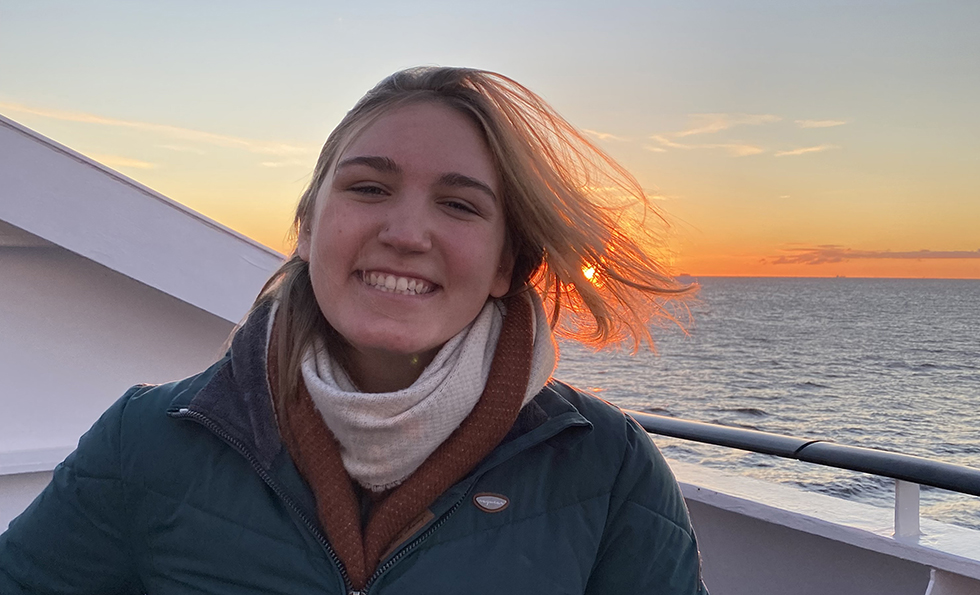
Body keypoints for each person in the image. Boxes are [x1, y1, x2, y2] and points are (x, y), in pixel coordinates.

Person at [0, 67, 707, 594]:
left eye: (459, 205)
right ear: (308, 227)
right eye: (368, 188)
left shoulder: (607, 468)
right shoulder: (147, 441)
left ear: (506, 264)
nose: (404, 233)